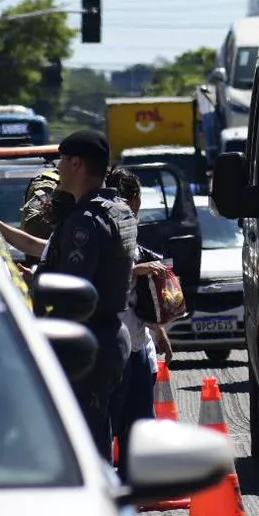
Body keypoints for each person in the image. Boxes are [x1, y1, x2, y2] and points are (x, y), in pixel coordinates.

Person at [0, 130, 135, 456]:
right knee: (96, 435)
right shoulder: (115, 209)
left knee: (82, 445)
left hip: (84, 344)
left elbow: (71, 291)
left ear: (76, 163)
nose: (58, 169)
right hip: (107, 336)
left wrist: (35, 286)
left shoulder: (86, 221)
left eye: (61, 161)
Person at [104, 168, 173, 468]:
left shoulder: (131, 236)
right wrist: (136, 271)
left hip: (138, 346)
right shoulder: (102, 232)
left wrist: (160, 335)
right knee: (108, 424)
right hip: (113, 347)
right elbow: (102, 280)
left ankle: (137, 485)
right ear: (132, 199)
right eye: (137, 199)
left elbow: (138, 301)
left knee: (140, 425)